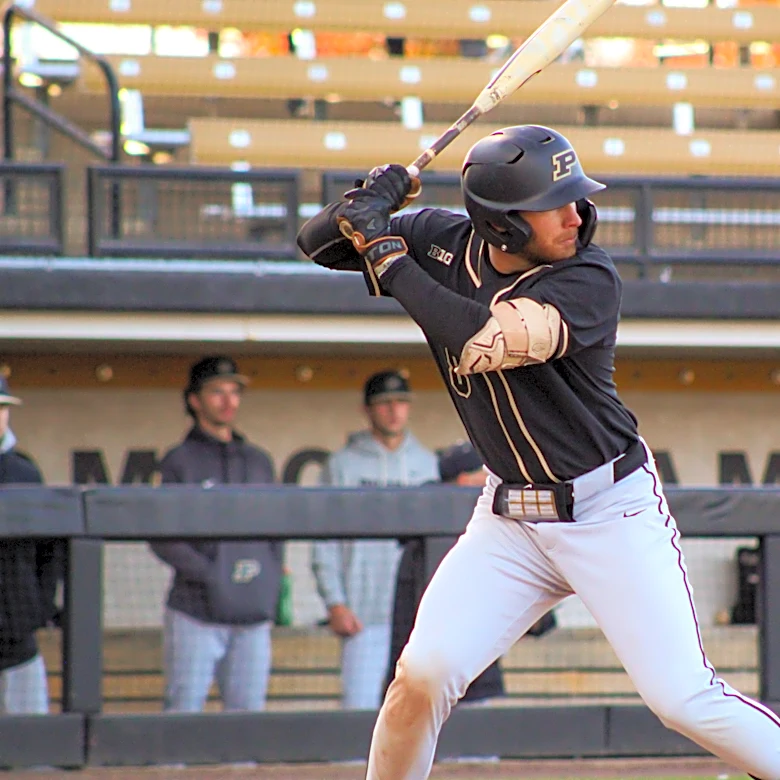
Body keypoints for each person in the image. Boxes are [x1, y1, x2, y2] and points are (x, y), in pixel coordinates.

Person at [296, 125, 780, 778]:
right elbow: (316, 245)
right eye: (554, 203)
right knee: (422, 674)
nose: (575, 213)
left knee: (683, 698)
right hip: (509, 523)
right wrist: (367, 202)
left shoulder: (588, 278)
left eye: (576, 197)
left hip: (609, 511)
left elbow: (480, 342)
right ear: (501, 225)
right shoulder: (439, 240)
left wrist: (385, 251)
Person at [150, 356, 283, 712]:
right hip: (196, 611)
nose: (228, 401)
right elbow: (162, 535)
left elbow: (277, 530)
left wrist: (267, 580)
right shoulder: (179, 460)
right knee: (184, 713)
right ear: (194, 400)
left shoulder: (258, 460)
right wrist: (212, 574)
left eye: (234, 392)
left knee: (247, 722)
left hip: (251, 615)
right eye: (216, 392)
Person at [311, 370, 439, 710]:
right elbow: (323, 540)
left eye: (401, 402)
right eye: (384, 404)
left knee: (417, 715)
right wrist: (335, 602)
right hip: (362, 616)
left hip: (417, 618)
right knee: (360, 714)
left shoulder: (427, 465)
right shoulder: (342, 465)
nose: (394, 411)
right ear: (367, 409)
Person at [384, 441, 504, 707]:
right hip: (436, 671)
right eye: (483, 475)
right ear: (463, 480)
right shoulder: (435, 539)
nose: (491, 482)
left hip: (465, 671)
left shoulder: (484, 528)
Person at [0, 376, 61, 714]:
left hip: (16, 638)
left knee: (33, 749)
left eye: (2, 408)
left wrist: (36, 608)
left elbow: (48, 552)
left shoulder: (24, 472)